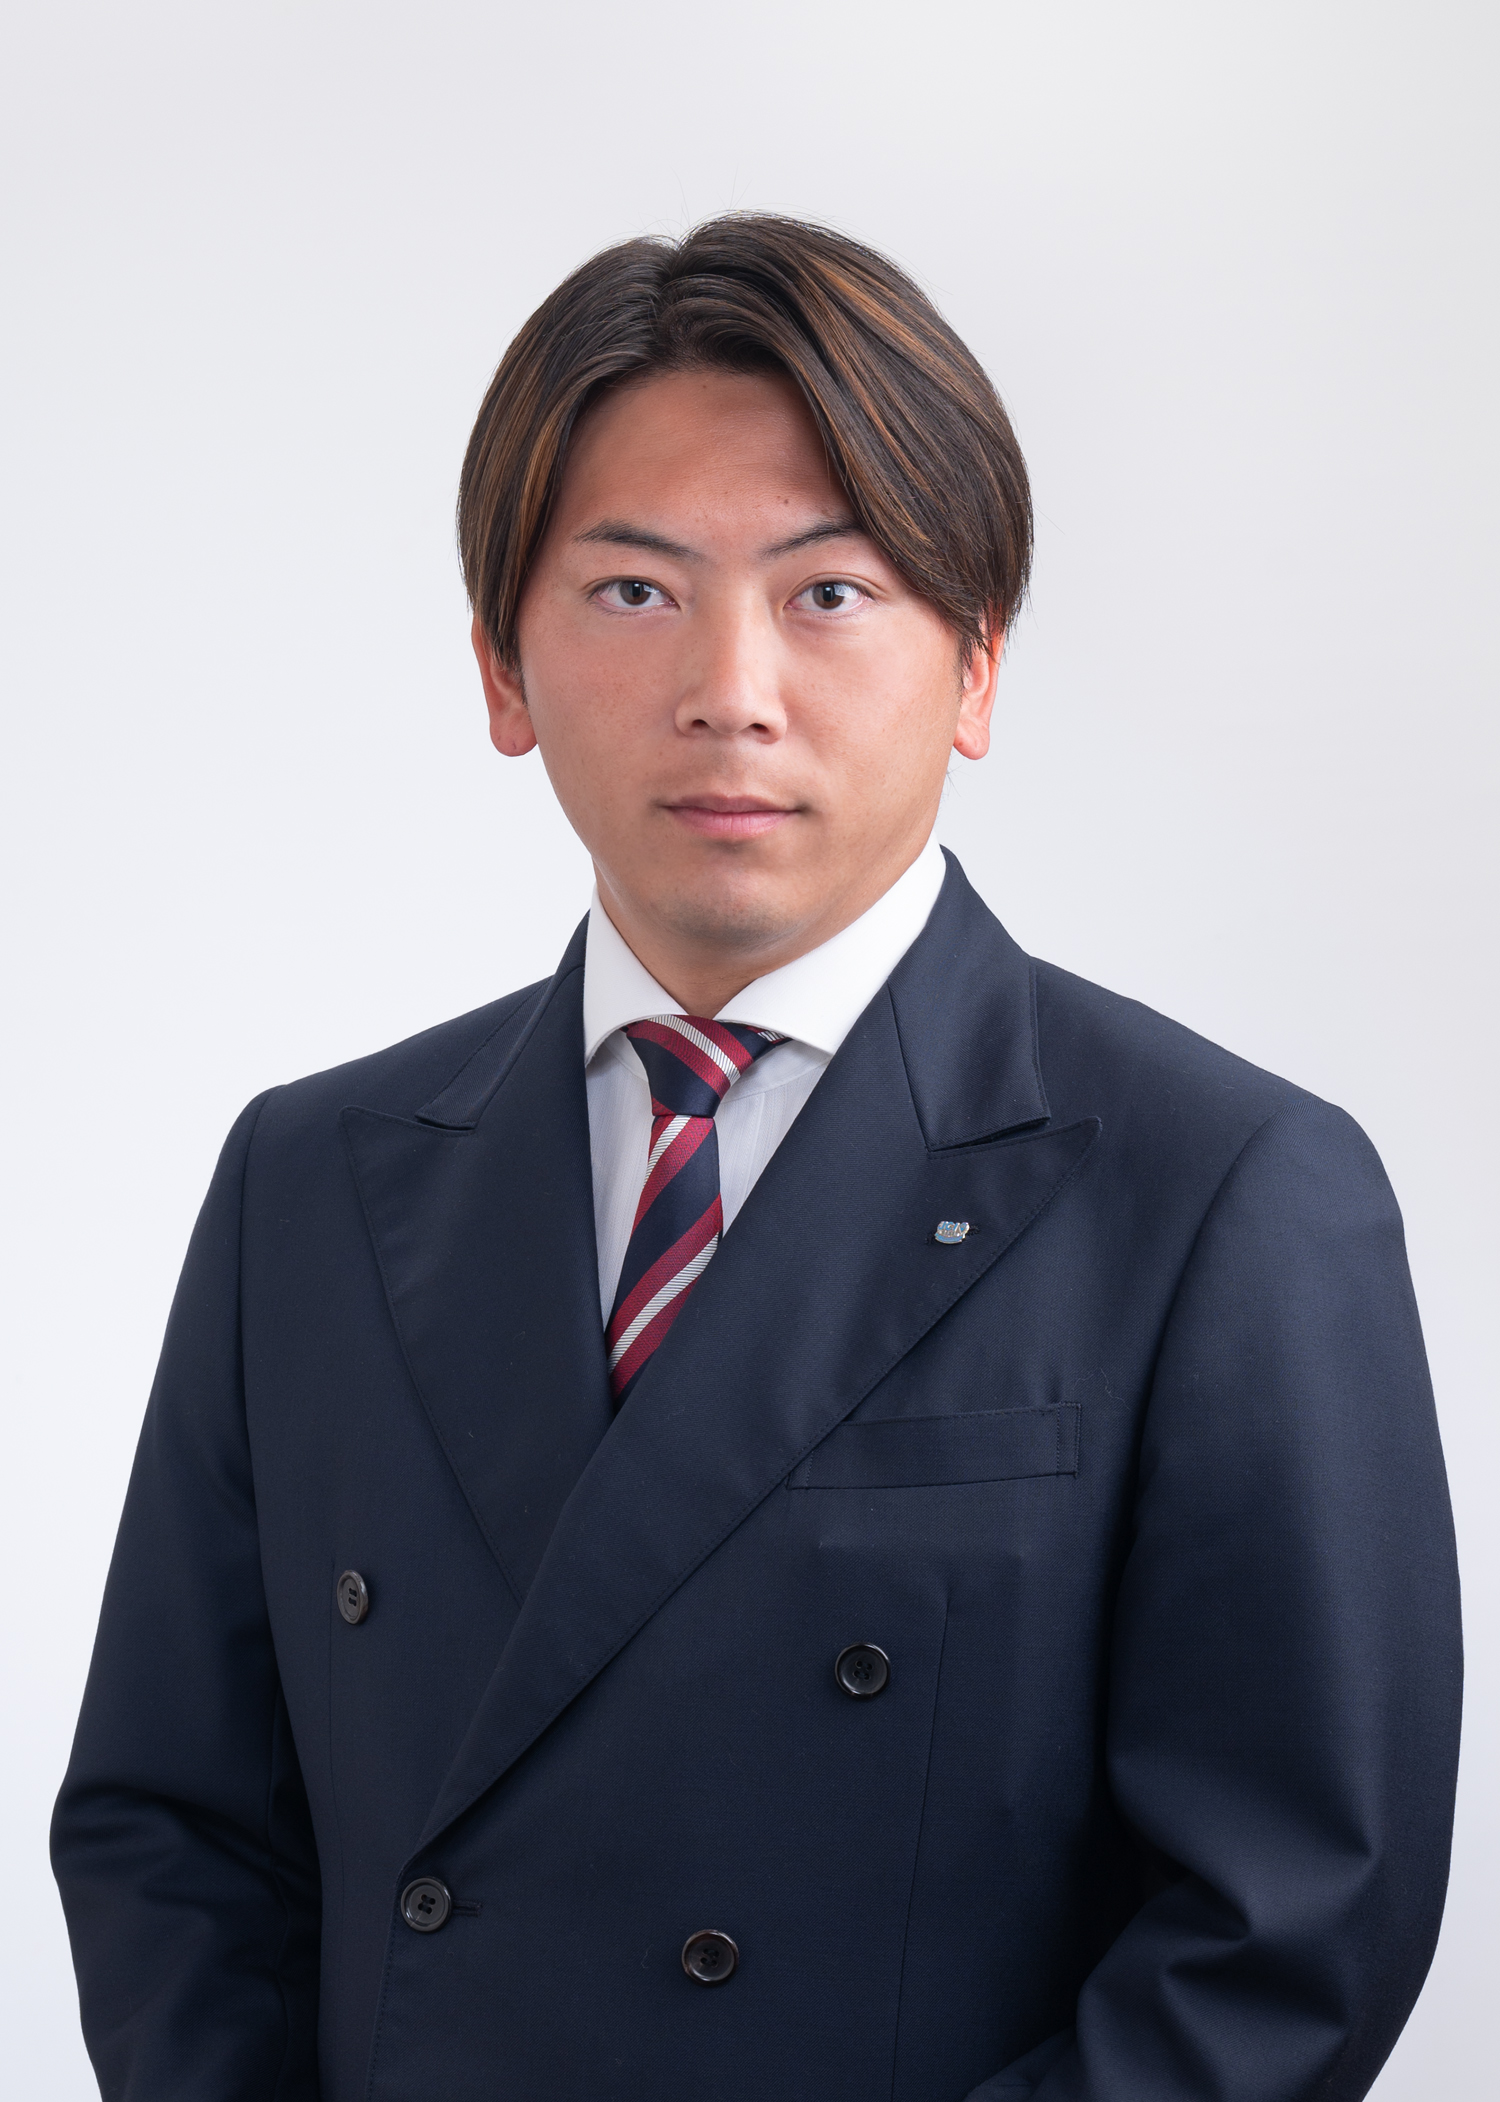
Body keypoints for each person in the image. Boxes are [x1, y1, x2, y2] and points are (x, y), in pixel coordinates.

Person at [51, 215, 1461, 2102]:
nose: (731, 687)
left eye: (832, 590)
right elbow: (173, 1833)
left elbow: (1284, 1937)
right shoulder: (307, 1180)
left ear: (976, 664)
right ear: (501, 668)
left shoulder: (1226, 1192)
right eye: (635, 589)